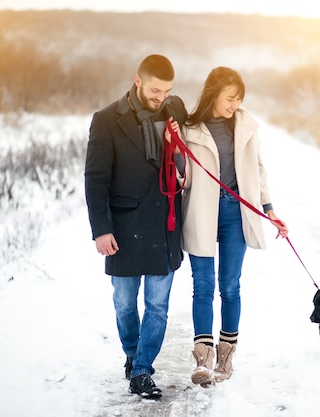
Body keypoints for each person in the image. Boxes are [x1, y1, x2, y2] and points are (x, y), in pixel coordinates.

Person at [167, 66, 288, 387]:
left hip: (236, 211)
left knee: (230, 285)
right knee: (202, 285)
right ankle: (203, 360)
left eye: (239, 99)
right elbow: (185, 177)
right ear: (213, 94)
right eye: (230, 98)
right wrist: (177, 149)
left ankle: (226, 355)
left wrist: (270, 209)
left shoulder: (246, 126)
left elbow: (258, 170)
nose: (235, 104)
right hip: (202, 211)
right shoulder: (192, 128)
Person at [84, 54, 187, 400]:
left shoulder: (171, 112)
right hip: (124, 228)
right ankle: (132, 354)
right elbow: (95, 179)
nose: (161, 98)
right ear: (138, 80)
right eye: (156, 90)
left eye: (167, 91)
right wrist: (101, 229)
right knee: (125, 304)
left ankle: (143, 369)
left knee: (157, 307)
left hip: (163, 227)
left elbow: (182, 109)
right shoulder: (106, 120)